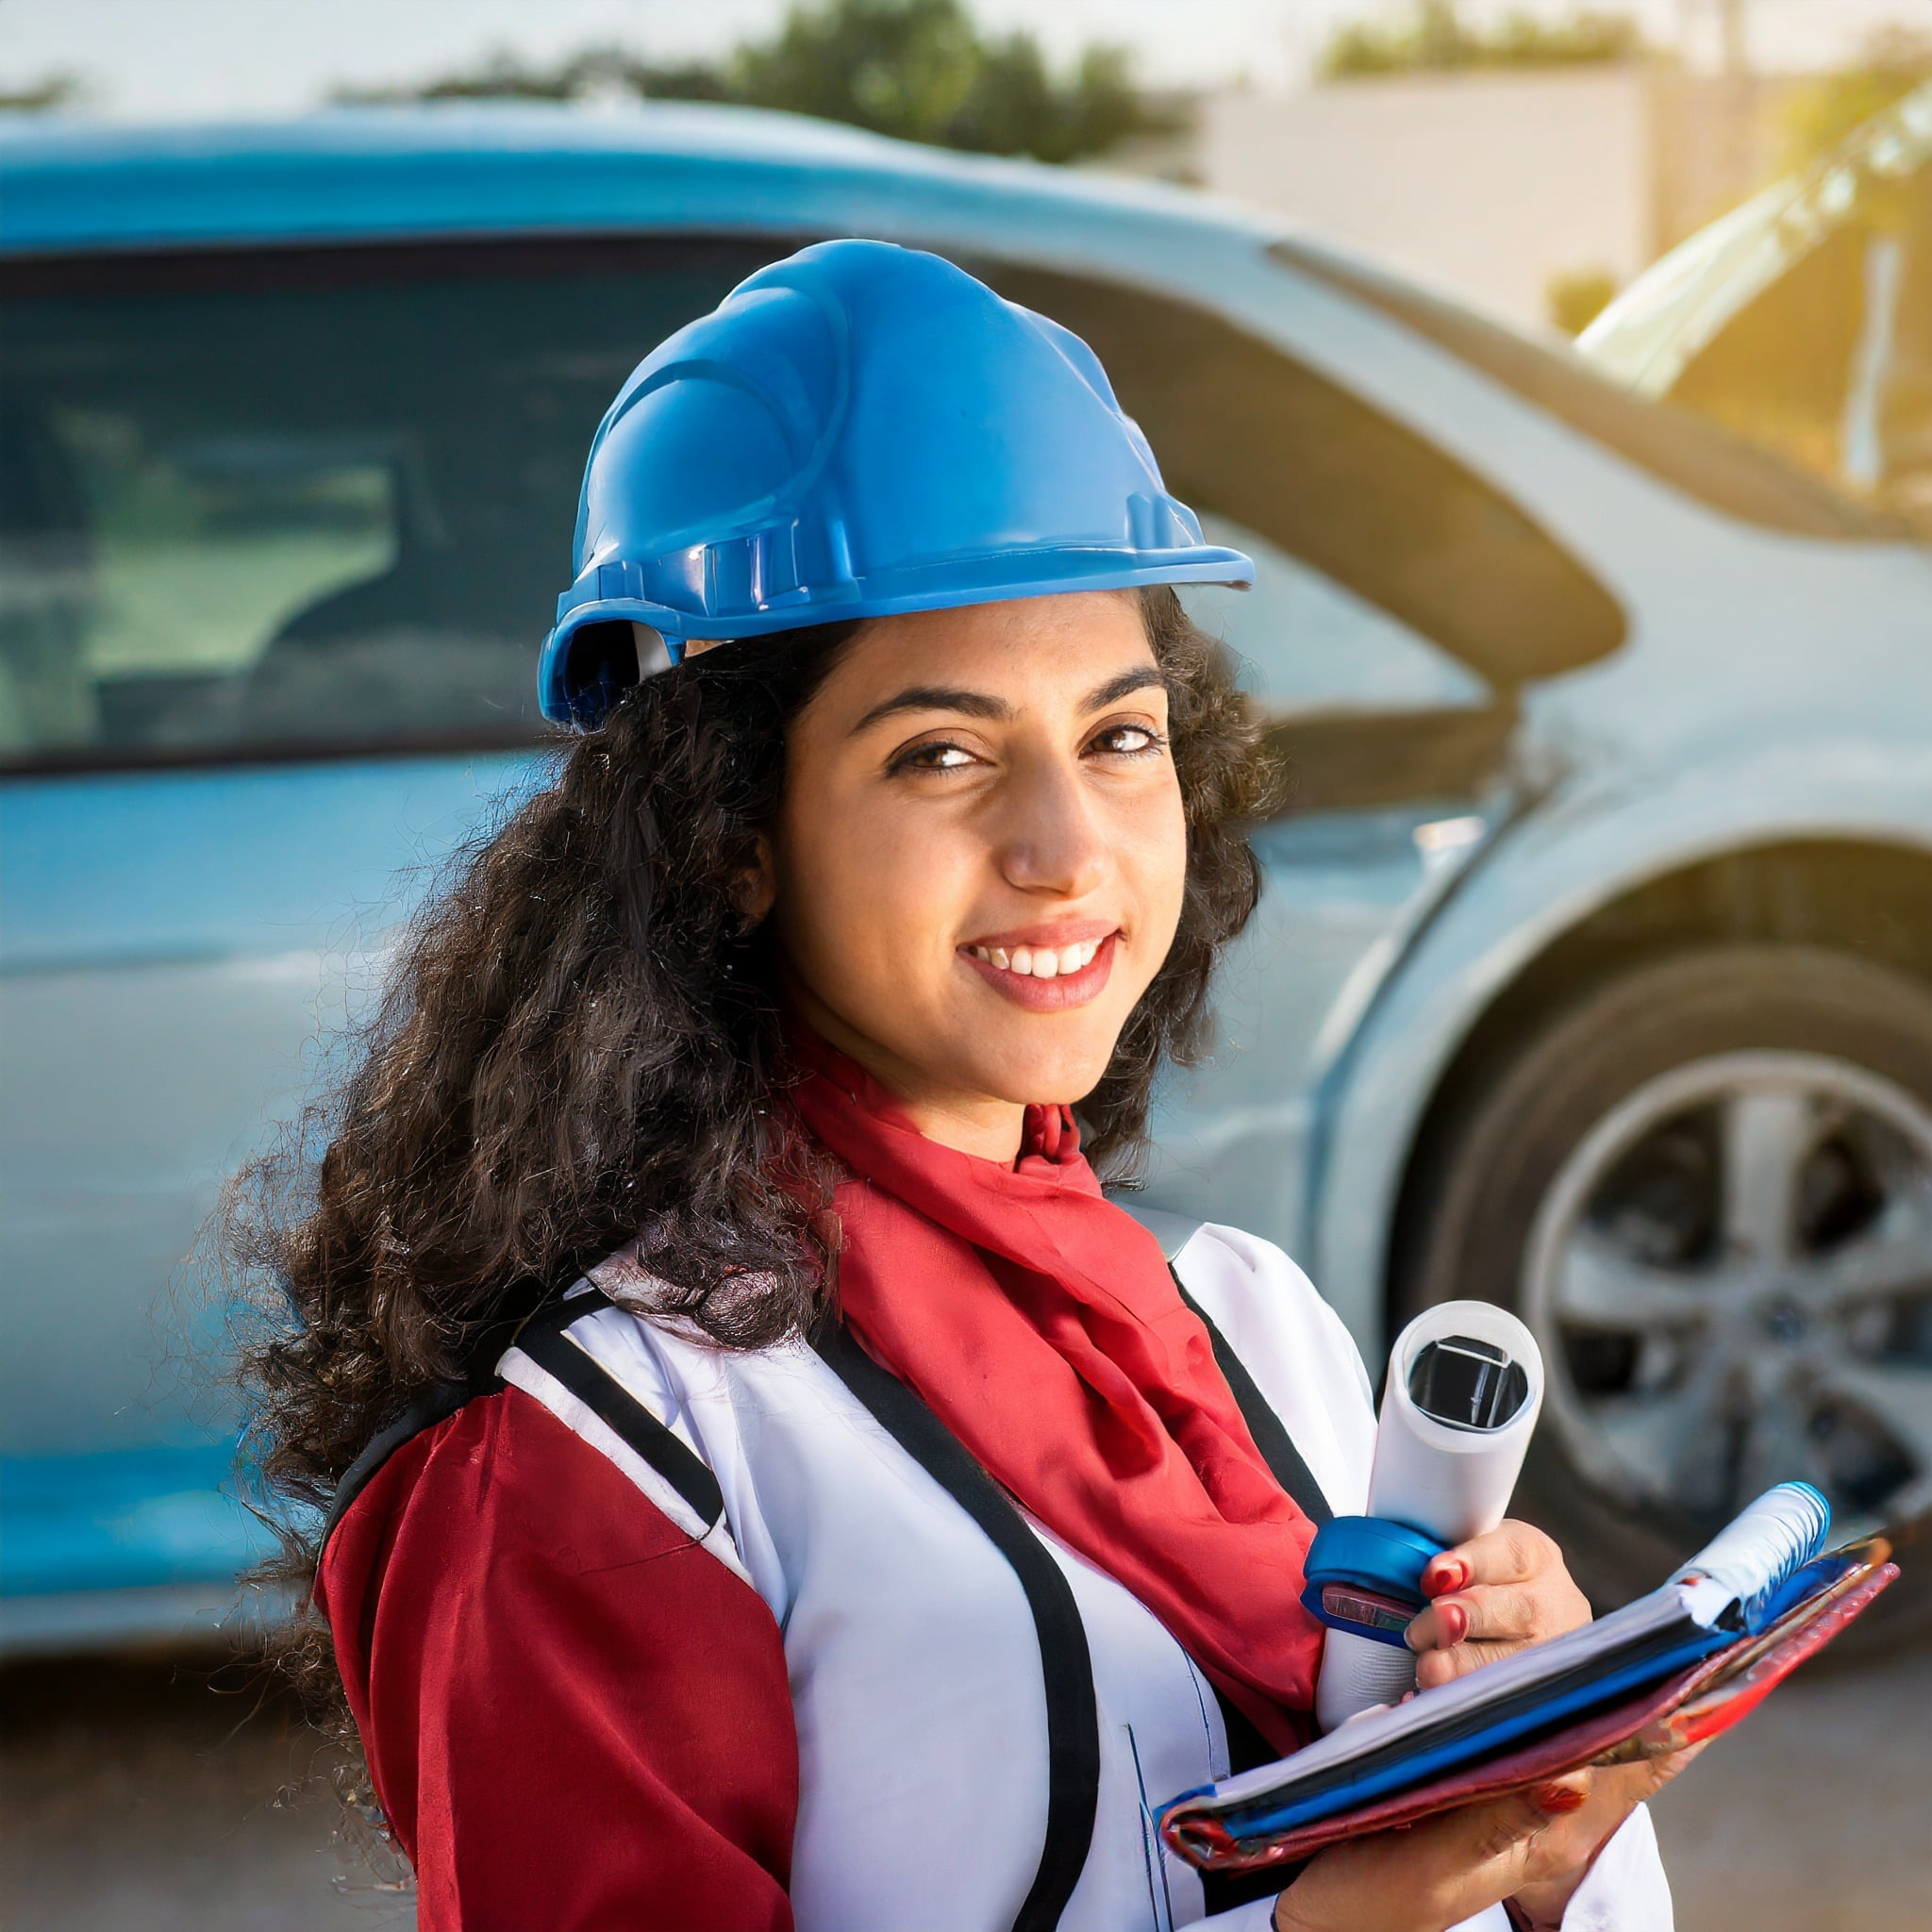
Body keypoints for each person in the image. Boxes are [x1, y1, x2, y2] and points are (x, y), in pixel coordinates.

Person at [243, 241, 1692, 1932]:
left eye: (1119, 735)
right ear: (728, 835)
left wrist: (1550, 1832)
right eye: (941, 754)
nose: (1066, 850)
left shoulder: (1252, 1336)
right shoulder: (603, 1465)